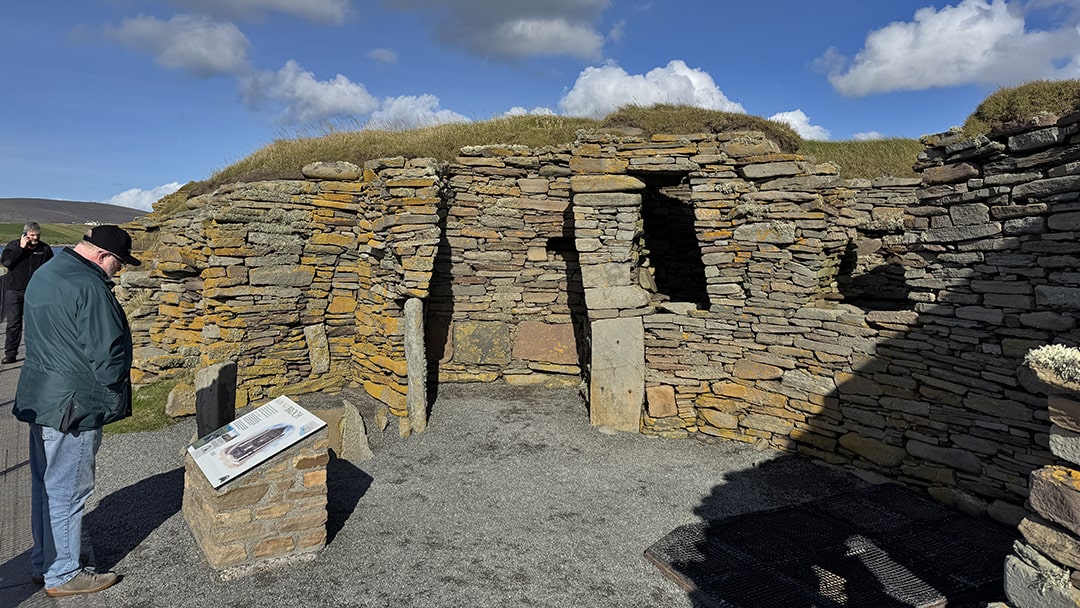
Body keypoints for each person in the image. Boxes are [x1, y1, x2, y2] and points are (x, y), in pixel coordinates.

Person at [11, 225, 140, 597]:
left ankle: (45, 563)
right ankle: (65, 573)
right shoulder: (89, 286)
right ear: (103, 256)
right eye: (119, 263)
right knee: (68, 489)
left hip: (41, 396)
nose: (119, 270)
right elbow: (107, 354)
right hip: (75, 404)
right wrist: (115, 387)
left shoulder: (47, 271)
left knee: (45, 485)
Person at [1, 221, 54, 363]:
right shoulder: (13, 246)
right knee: (13, 324)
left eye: (37, 235)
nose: (35, 238)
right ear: (25, 234)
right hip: (14, 291)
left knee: (37, 323)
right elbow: (6, 263)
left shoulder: (45, 249)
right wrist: (20, 248)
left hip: (36, 291)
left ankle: (37, 353)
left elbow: (52, 269)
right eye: (32, 235)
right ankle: (10, 354)